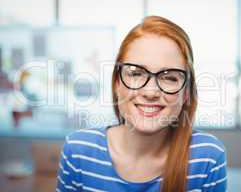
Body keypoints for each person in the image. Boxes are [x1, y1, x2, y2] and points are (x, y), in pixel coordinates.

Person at [56, 16, 227, 192]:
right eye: (136, 74)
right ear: (117, 84)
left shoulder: (207, 158)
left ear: (185, 93)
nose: (150, 92)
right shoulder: (78, 151)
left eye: (169, 77)